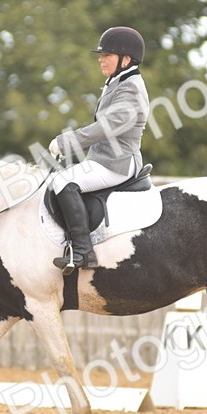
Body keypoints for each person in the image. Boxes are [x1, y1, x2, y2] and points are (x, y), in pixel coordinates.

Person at [47, 26, 150, 272]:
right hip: (104, 158)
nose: (100, 59)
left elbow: (108, 126)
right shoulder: (118, 81)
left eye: (107, 55)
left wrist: (67, 143)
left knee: (63, 181)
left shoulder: (131, 88)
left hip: (117, 162)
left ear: (126, 59)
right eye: (101, 54)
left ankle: (82, 251)